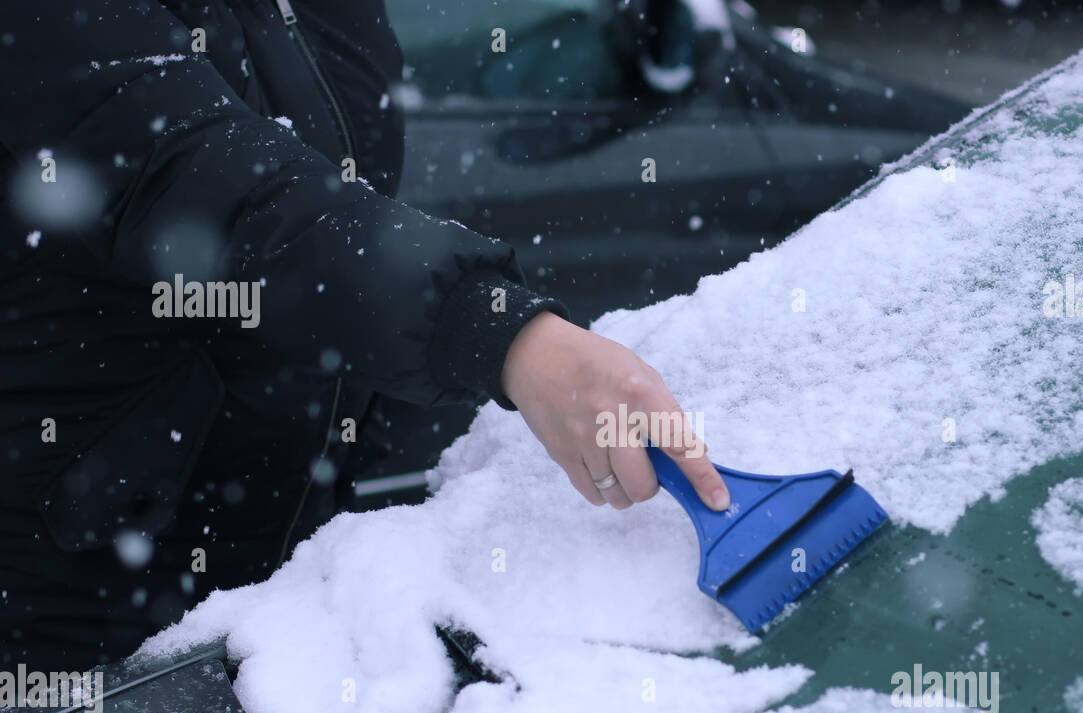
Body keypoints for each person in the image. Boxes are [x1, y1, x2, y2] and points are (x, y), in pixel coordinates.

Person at [0, 0, 728, 671]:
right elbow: (212, 188)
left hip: (272, 569)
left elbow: (337, 185)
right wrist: (499, 335)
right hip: (69, 612)